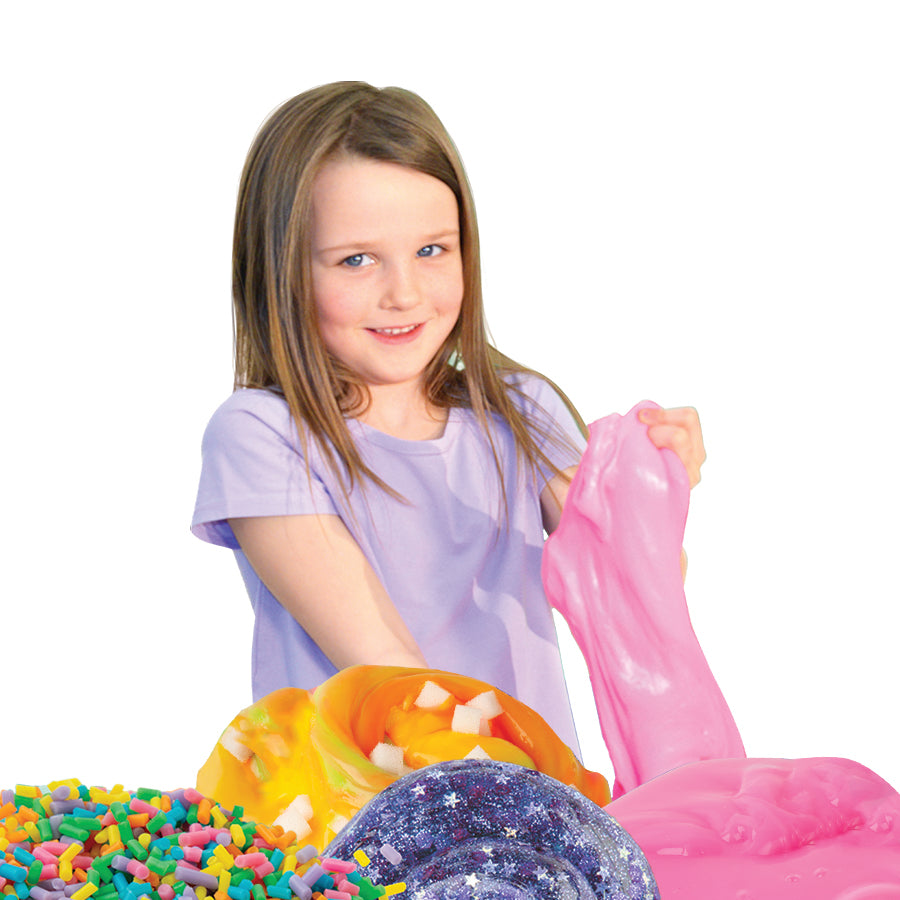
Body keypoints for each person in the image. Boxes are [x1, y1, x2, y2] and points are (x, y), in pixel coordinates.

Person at [192, 82, 705, 751]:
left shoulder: (521, 412)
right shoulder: (263, 434)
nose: (404, 294)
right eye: (356, 260)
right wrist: (511, 796)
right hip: (369, 810)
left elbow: (630, 601)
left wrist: (649, 496)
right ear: (281, 271)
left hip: (532, 798)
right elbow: (390, 674)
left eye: (432, 250)